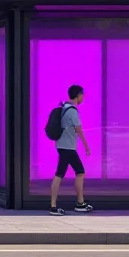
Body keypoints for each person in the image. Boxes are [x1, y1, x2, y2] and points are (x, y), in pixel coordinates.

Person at [50, 85, 93, 216]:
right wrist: (86, 147)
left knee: (76, 172)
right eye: (82, 95)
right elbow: (78, 130)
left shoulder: (64, 107)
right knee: (67, 174)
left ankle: (79, 202)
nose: (83, 98)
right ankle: (56, 206)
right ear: (78, 95)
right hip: (67, 147)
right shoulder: (73, 111)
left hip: (63, 146)